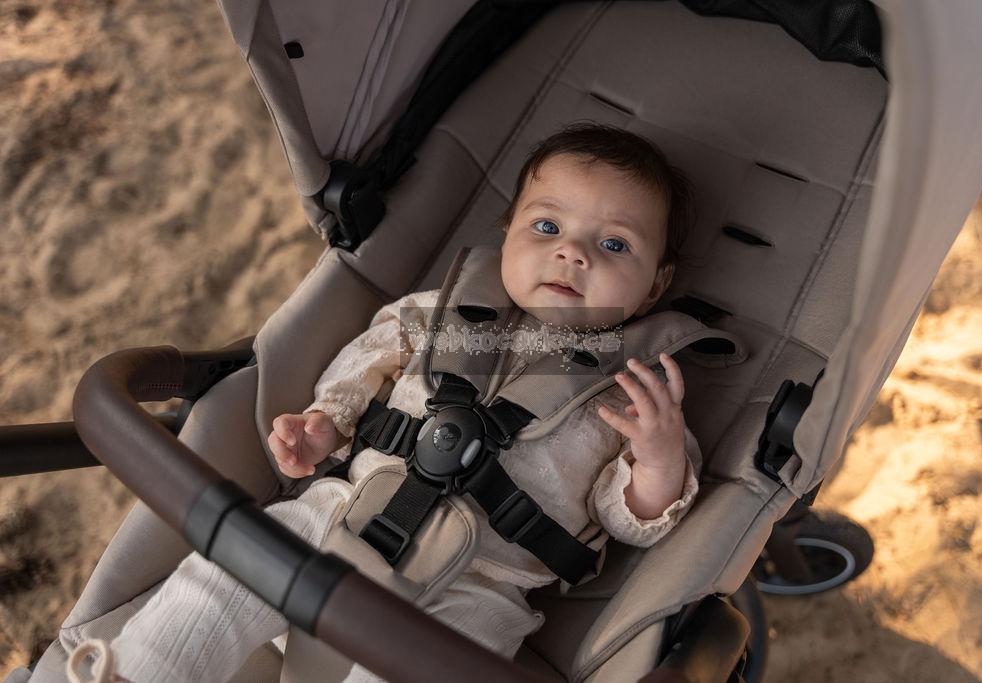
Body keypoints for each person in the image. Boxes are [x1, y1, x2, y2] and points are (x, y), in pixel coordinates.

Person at [66, 122, 704, 682]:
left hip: (478, 589)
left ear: (656, 286)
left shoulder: (638, 393)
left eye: (614, 245)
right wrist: (326, 424)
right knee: (221, 576)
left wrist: (658, 459)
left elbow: (627, 521)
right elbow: (363, 368)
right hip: (340, 519)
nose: (573, 252)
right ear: (508, 232)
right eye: (547, 226)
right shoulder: (441, 314)